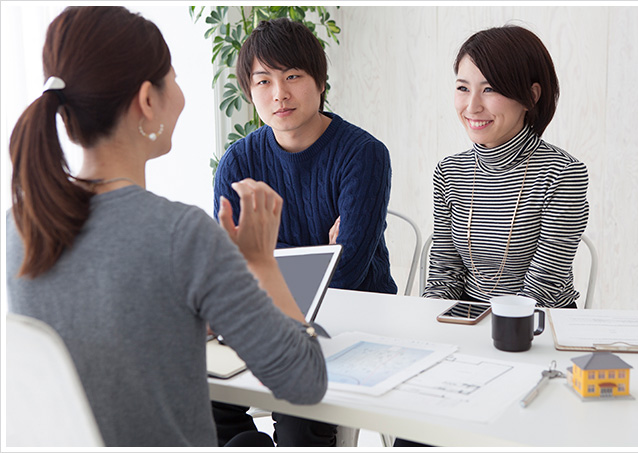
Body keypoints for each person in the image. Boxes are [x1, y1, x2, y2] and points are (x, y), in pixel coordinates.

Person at [6, 6, 327, 448]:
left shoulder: (23, 225)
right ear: (147, 100)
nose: (180, 92)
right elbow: (305, 382)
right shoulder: (182, 233)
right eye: (173, 77)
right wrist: (260, 262)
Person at [211, 18, 397, 447]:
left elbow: (346, 271)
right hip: (265, 322)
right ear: (249, 90)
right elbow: (232, 271)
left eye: (293, 76)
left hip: (354, 318)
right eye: (264, 80)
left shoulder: (363, 154)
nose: (279, 94)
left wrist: (273, 257)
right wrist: (318, 252)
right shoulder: (237, 164)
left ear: (320, 81)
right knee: (209, 395)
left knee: (298, 419)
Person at [423, 25, 589, 309]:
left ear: (532, 96)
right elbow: (443, 278)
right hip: (467, 317)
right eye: (463, 88)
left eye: (490, 89)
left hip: (538, 322)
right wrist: (431, 327)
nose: (472, 106)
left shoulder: (563, 173)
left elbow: (543, 287)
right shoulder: (449, 171)